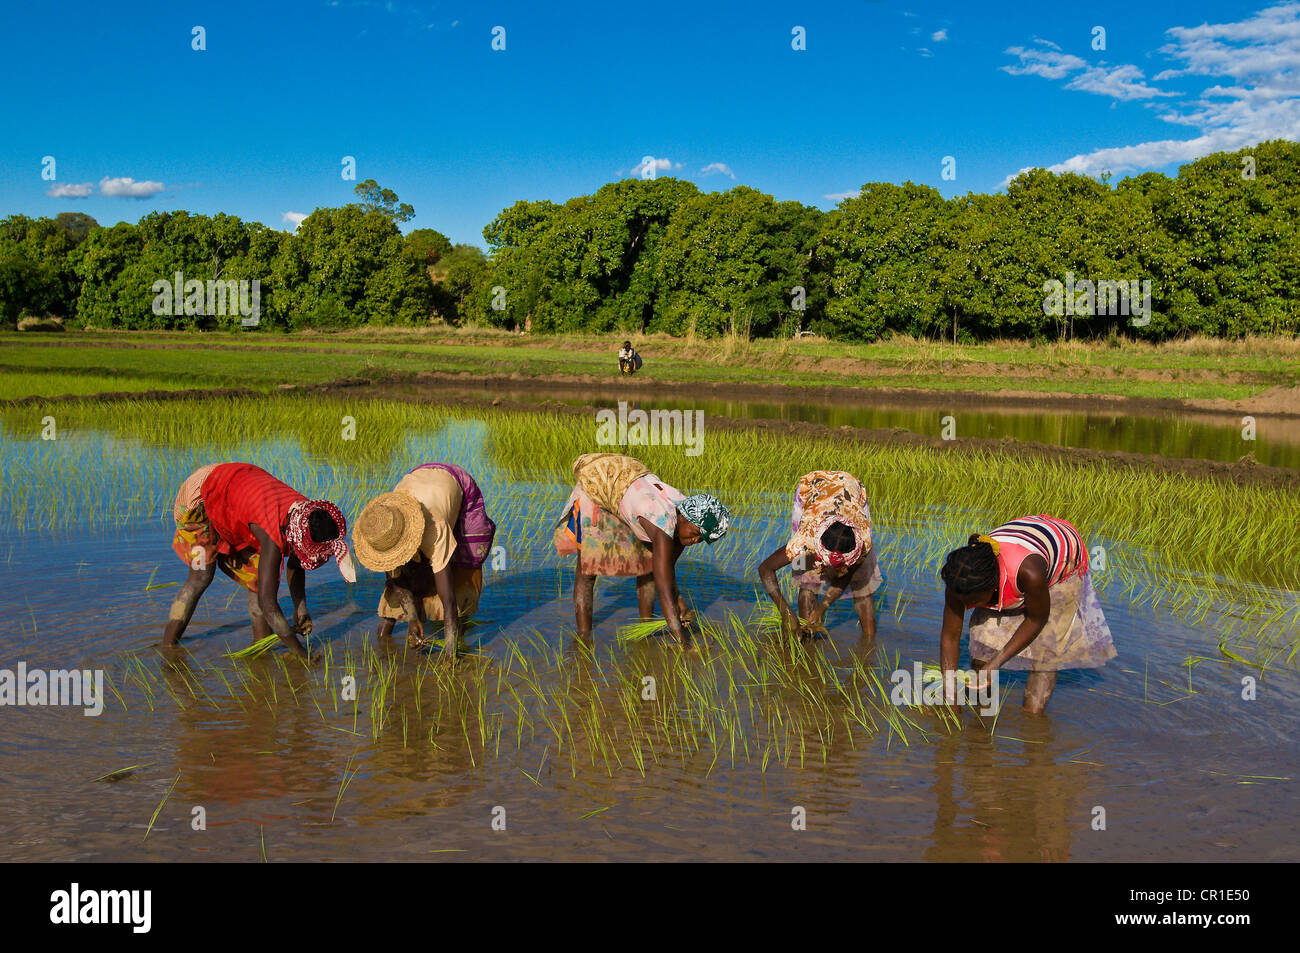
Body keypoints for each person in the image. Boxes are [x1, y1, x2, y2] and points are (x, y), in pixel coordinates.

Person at [163, 462, 355, 660]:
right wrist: (301, 653)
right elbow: (268, 603)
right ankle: (168, 647)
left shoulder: (308, 517)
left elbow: (296, 564)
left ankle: (261, 651)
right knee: (201, 576)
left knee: (258, 578)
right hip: (201, 495)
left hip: (237, 489)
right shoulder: (275, 535)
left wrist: (300, 608)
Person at [938, 515, 1115, 714]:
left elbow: (1037, 619)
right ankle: (984, 714)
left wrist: (997, 662)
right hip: (1024, 543)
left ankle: (1032, 719)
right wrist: (950, 694)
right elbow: (950, 637)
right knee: (981, 642)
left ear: (992, 585)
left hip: (1064, 556)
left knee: (1046, 652)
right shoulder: (959, 579)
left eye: (974, 601)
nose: (967, 607)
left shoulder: (1030, 573)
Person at [554, 452, 729, 647]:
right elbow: (664, 589)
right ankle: (584, 636)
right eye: (697, 532)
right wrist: (683, 641)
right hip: (600, 485)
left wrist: (680, 605)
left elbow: (666, 571)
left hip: (631, 486)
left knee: (649, 566)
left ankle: (644, 630)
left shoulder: (685, 524)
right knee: (588, 568)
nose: (696, 539)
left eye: (702, 539)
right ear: (684, 517)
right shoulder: (661, 524)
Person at [352, 463, 496, 660]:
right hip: (416, 480)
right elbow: (396, 581)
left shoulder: (435, 530)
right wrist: (411, 619)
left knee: (466, 562)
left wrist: (450, 655)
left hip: (455, 483)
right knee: (406, 571)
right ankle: (392, 637)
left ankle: (458, 633)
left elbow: (449, 600)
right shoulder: (385, 524)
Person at [758, 470, 882, 643]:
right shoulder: (806, 538)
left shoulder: (862, 541)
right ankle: (807, 639)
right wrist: (785, 612)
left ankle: (869, 647)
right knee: (809, 578)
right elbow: (765, 569)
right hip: (815, 490)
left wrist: (824, 606)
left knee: (862, 585)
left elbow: (847, 574)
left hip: (852, 491)